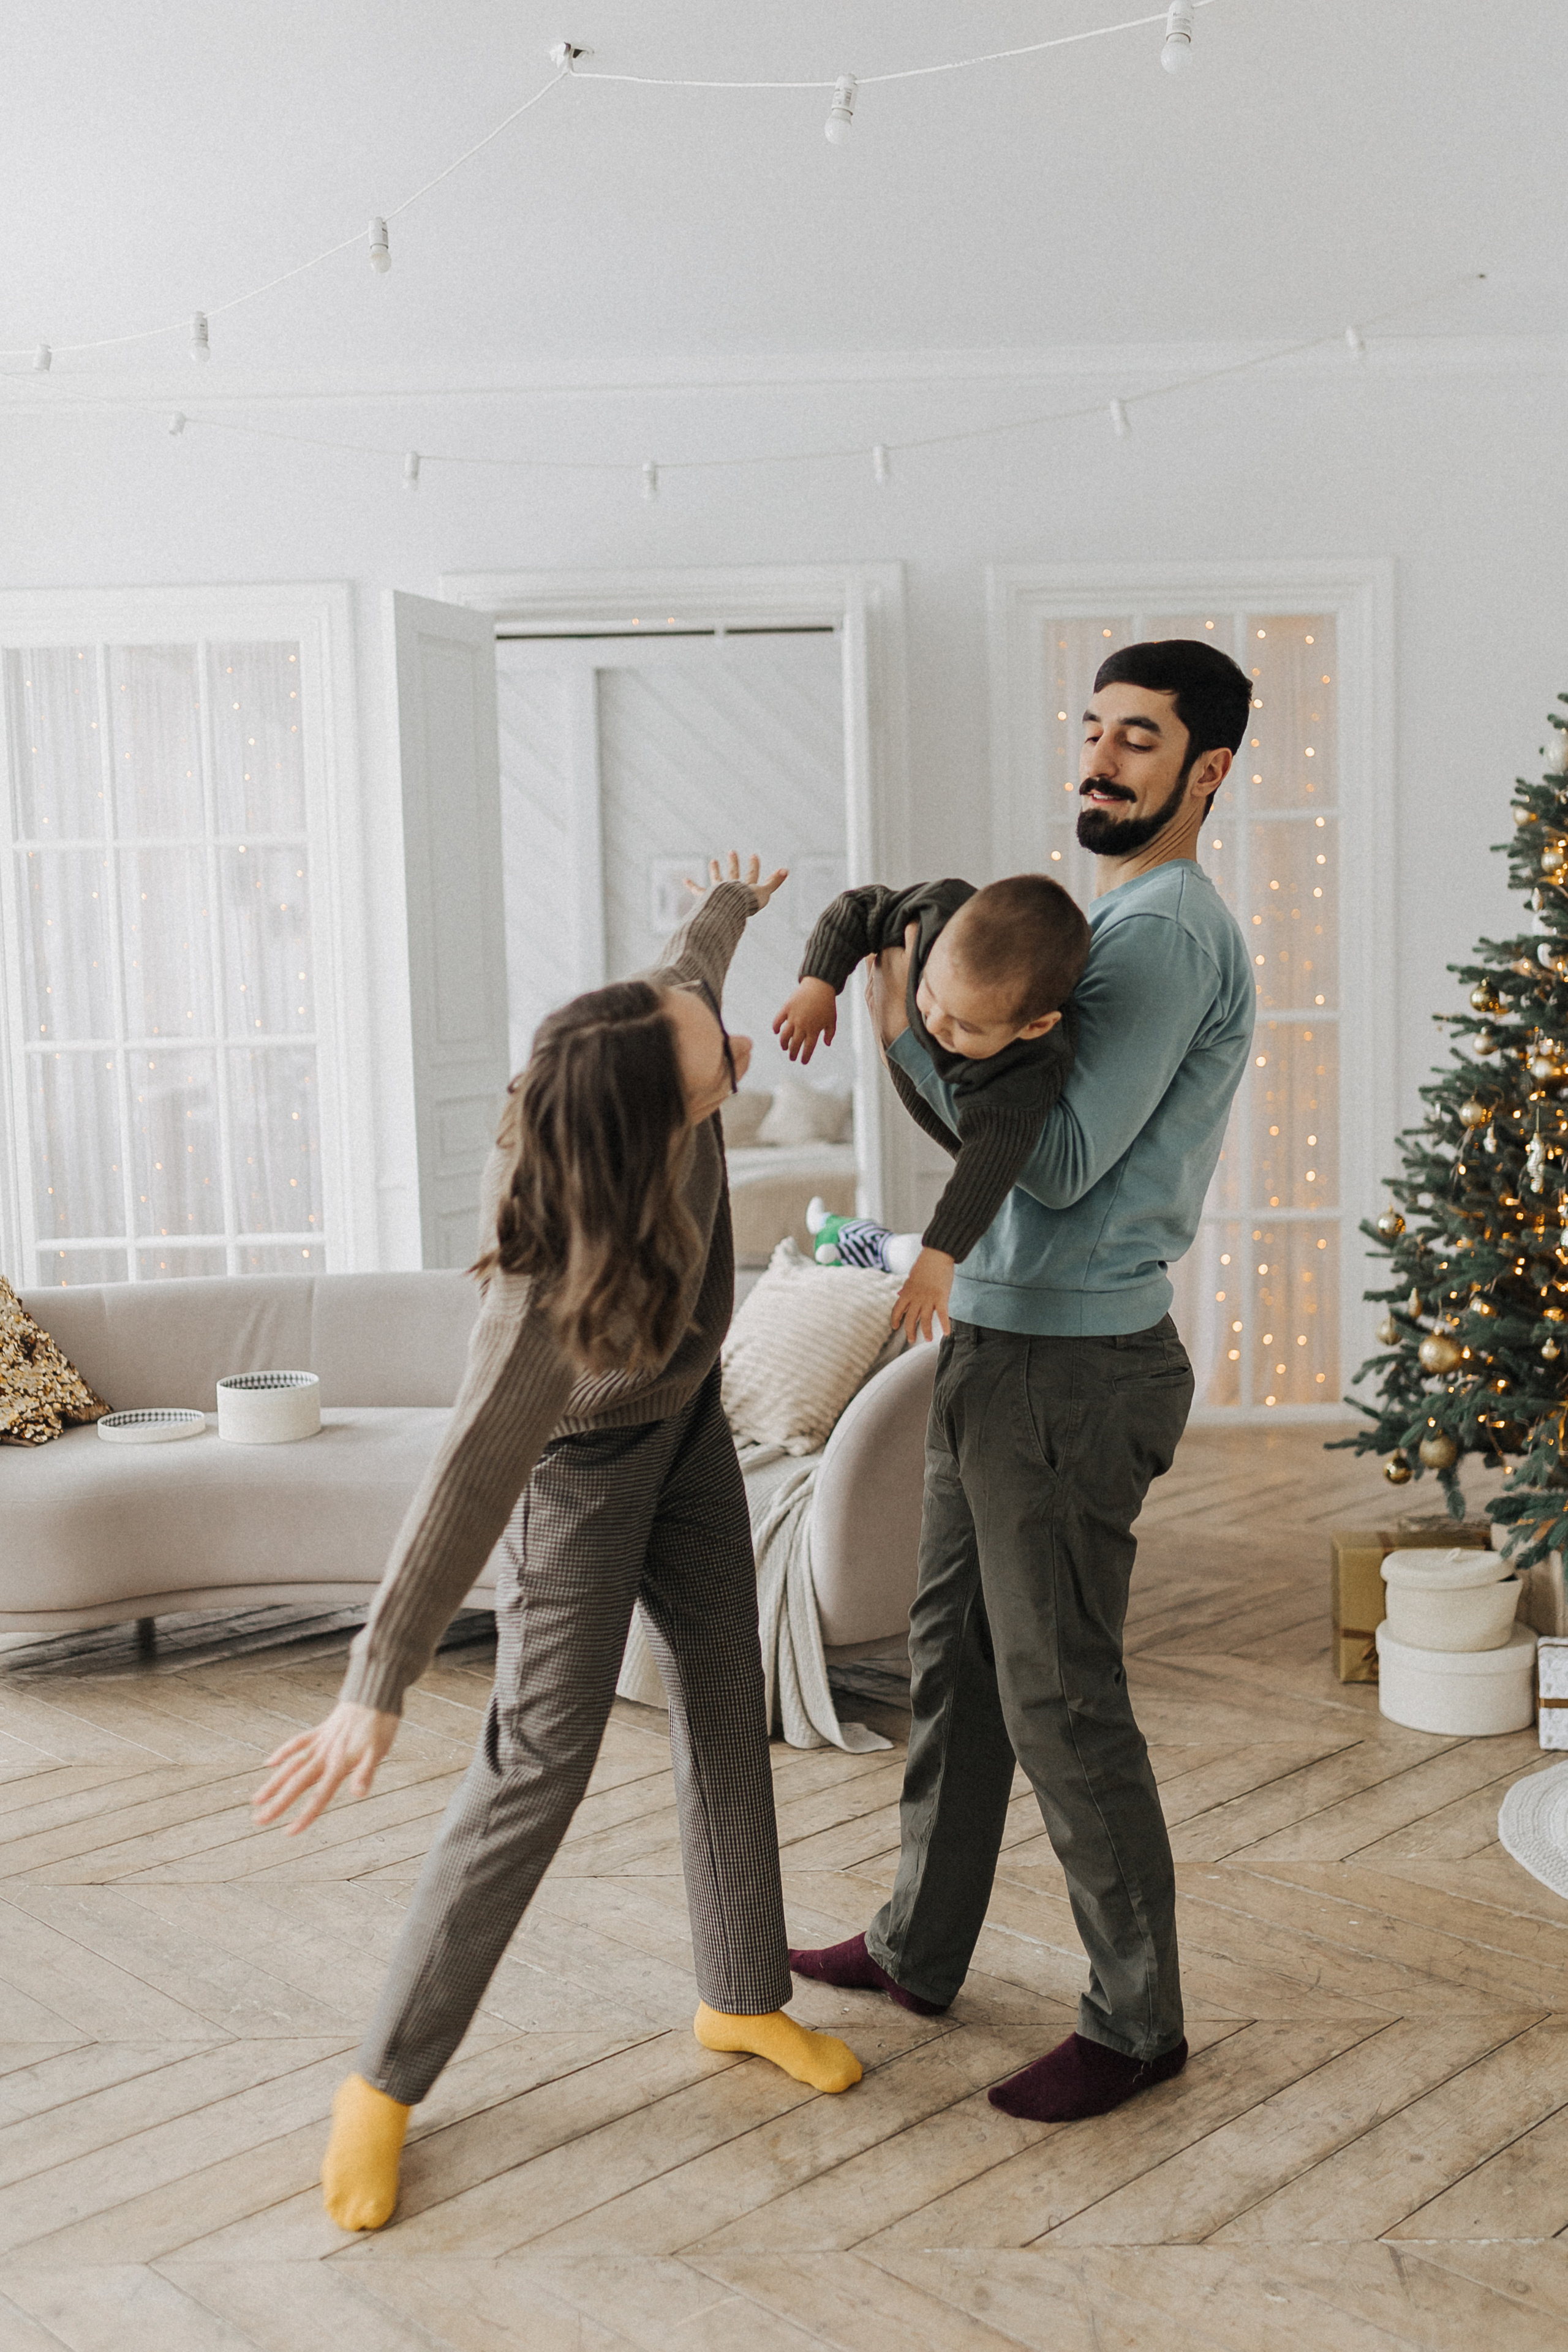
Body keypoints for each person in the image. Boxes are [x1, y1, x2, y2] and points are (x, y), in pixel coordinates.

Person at [252, 853, 862, 2236]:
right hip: (573, 1475)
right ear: (656, 1116)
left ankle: (739, 1995)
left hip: (686, 1428)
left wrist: (733, 903)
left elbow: (689, 957)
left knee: (724, 1697)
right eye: (718, 1052)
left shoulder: (661, 1019)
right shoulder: (548, 1273)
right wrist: (376, 1680)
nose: (735, 1036)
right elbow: (469, 1469)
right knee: (540, 1761)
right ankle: (385, 2080)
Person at [789, 638, 1255, 2122]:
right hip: (998, 1348)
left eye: (1140, 738)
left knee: (1059, 1696)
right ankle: (921, 1942)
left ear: (1206, 773)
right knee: (958, 1670)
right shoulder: (1092, 923)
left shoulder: (1163, 934)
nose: (1101, 759)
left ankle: (1135, 2019)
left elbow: (1048, 1165)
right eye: (1095, 729)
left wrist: (897, 1037)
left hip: (1071, 1366)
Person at [775, 875, 1091, 1344]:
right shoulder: (936, 913)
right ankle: (857, 1241)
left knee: (982, 1171)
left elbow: (985, 1166)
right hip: (921, 1066)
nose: (936, 1022)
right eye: (932, 992)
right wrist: (819, 984)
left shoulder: (1026, 1071)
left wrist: (938, 1256)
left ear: (1034, 1026)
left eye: (965, 1023)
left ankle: (867, 1245)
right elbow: (858, 909)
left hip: (977, 1117)